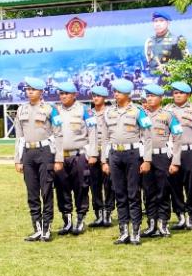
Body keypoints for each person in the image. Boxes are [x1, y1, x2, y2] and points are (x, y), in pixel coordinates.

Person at [100, 79, 153, 245]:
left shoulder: (138, 111)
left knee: (133, 193)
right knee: (119, 193)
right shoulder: (108, 112)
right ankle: (123, 232)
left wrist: (147, 160)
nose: (115, 94)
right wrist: (104, 161)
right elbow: (105, 138)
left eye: (119, 92)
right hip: (114, 155)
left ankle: (135, 231)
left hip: (132, 154)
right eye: (114, 91)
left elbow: (147, 136)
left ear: (127, 94)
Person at [14, 77, 61, 242]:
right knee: (32, 192)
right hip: (28, 153)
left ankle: (47, 228)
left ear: (41, 91)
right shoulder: (21, 110)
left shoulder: (51, 109)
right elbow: (19, 137)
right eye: (28, 89)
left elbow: (58, 134)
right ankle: (37, 228)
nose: (29, 92)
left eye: (33, 89)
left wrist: (58, 159)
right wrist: (18, 159)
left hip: (45, 152)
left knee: (46, 190)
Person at [53, 81, 98, 236]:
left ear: (74, 95)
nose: (63, 96)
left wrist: (93, 154)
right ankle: (67, 221)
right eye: (61, 93)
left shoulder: (85, 110)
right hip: (60, 157)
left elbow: (93, 133)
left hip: (78, 156)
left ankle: (80, 219)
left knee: (81, 187)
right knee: (61, 188)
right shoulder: (55, 110)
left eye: (66, 93)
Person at [141, 84, 181, 238]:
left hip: (162, 157)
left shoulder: (168, 115)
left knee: (163, 190)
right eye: (148, 96)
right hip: (145, 158)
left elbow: (177, 137)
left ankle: (163, 223)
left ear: (161, 98)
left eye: (153, 96)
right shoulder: (141, 115)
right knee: (148, 191)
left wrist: (175, 161)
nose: (150, 98)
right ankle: (151, 224)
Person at [167, 81, 192, 230]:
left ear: (188, 95)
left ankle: (190, 215)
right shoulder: (167, 110)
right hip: (172, 152)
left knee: (190, 184)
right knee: (174, 184)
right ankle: (180, 215)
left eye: (181, 93)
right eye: (175, 93)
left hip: (189, 151)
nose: (177, 95)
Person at [88, 86, 114, 227]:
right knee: (94, 184)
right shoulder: (89, 113)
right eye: (94, 96)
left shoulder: (110, 112)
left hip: (108, 151)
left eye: (98, 96)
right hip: (93, 152)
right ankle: (99, 214)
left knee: (109, 183)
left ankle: (108, 212)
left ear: (104, 97)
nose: (95, 98)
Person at [144, 11, 187, 76]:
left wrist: (168, 67)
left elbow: (186, 61)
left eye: (161, 21)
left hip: (173, 77)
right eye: (155, 21)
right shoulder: (149, 41)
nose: (158, 24)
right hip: (155, 78)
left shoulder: (177, 40)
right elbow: (150, 62)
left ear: (168, 23)